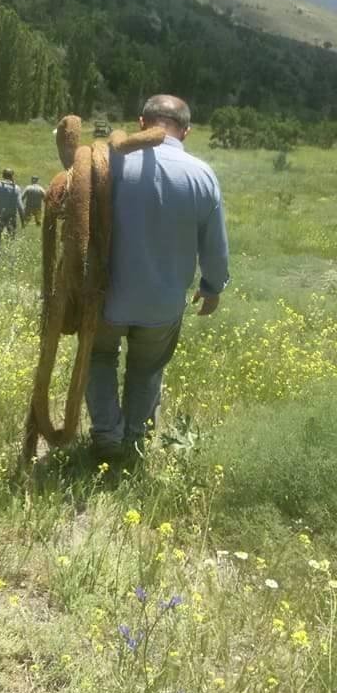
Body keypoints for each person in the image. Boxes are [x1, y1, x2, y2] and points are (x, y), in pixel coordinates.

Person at [86, 94, 229, 458]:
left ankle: (107, 436)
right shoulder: (201, 174)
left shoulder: (108, 161)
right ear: (187, 131)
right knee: (147, 369)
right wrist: (212, 287)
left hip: (105, 297)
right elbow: (213, 244)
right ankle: (133, 440)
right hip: (162, 304)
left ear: (141, 122)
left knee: (98, 358)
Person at [0, 168, 25, 242]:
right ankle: (10, 253)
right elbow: (20, 207)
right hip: (12, 217)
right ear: (12, 176)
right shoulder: (16, 188)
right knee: (11, 239)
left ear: (3, 175)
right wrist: (23, 221)